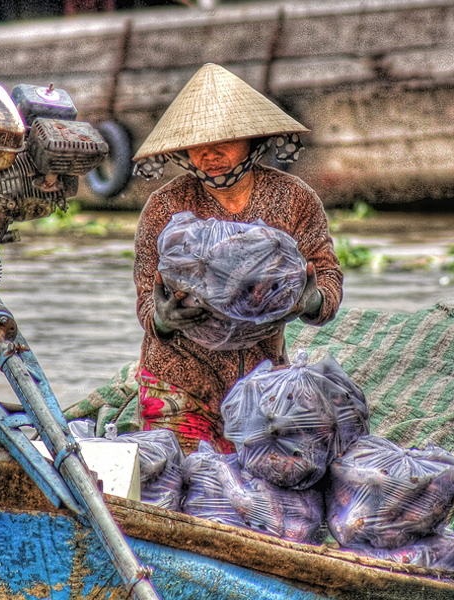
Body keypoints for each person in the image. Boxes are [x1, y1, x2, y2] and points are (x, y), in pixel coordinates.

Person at [130, 63, 344, 455]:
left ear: (252, 140)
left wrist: (311, 300)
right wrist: (162, 317)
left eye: (223, 143)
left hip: (262, 382)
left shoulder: (293, 197)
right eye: (198, 146)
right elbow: (146, 292)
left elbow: (326, 273)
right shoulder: (165, 207)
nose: (210, 155)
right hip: (179, 380)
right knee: (185, 486)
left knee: (259, 496)